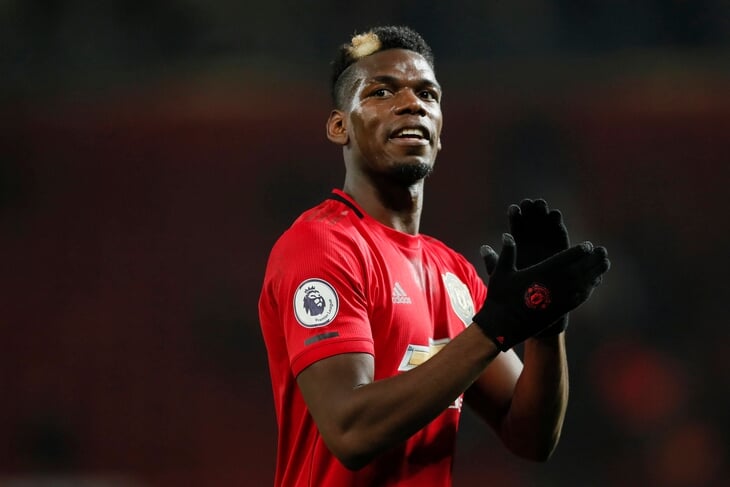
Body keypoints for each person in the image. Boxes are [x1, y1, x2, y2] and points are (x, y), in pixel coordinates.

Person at [258, 25, 610, 487]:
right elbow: (351, 431)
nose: (412, 103)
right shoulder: (322, 246)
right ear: (339, 126)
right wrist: (493, 330)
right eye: (382, 91)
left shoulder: (453, 274)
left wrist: (545, 323)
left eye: (427, 94)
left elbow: (531, 437)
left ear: (440, 132)